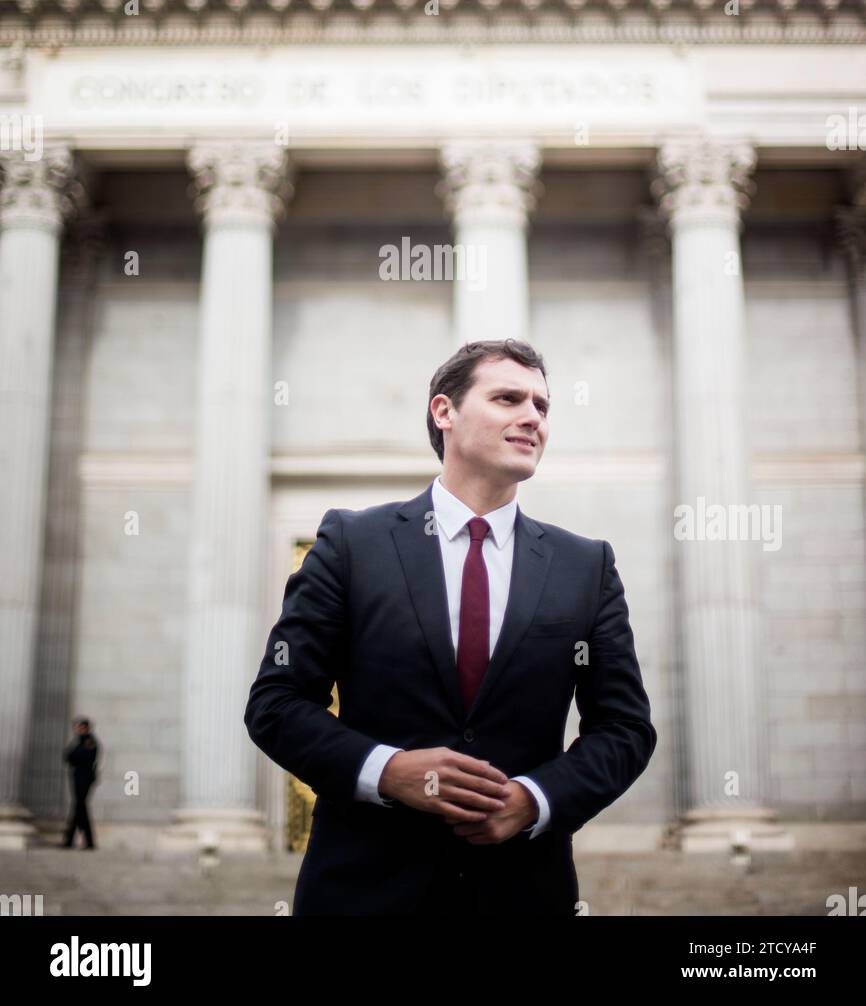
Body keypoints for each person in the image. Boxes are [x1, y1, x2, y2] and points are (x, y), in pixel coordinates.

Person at [245, 338, 657, 915]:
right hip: (364, 893)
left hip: (521, 895)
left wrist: (535, 799)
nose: (532, 417)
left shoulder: (586, 566)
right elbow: (277, 703)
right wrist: (388, 771)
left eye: (542, 406)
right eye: (509, 398)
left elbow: (625, 729)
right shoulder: (351, 544)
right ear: (445, 412)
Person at [62, 717, 99, 849]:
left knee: (79, 807)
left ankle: (71, 841)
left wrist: (76, 757)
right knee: (80, 808)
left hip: (85, 779)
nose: (78, 730)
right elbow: (67, 756)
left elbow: (81, 757)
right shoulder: (79, 741)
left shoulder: (89, 741)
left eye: (80, 727)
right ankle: (87, 842)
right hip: (78, 778)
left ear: (86, 728)